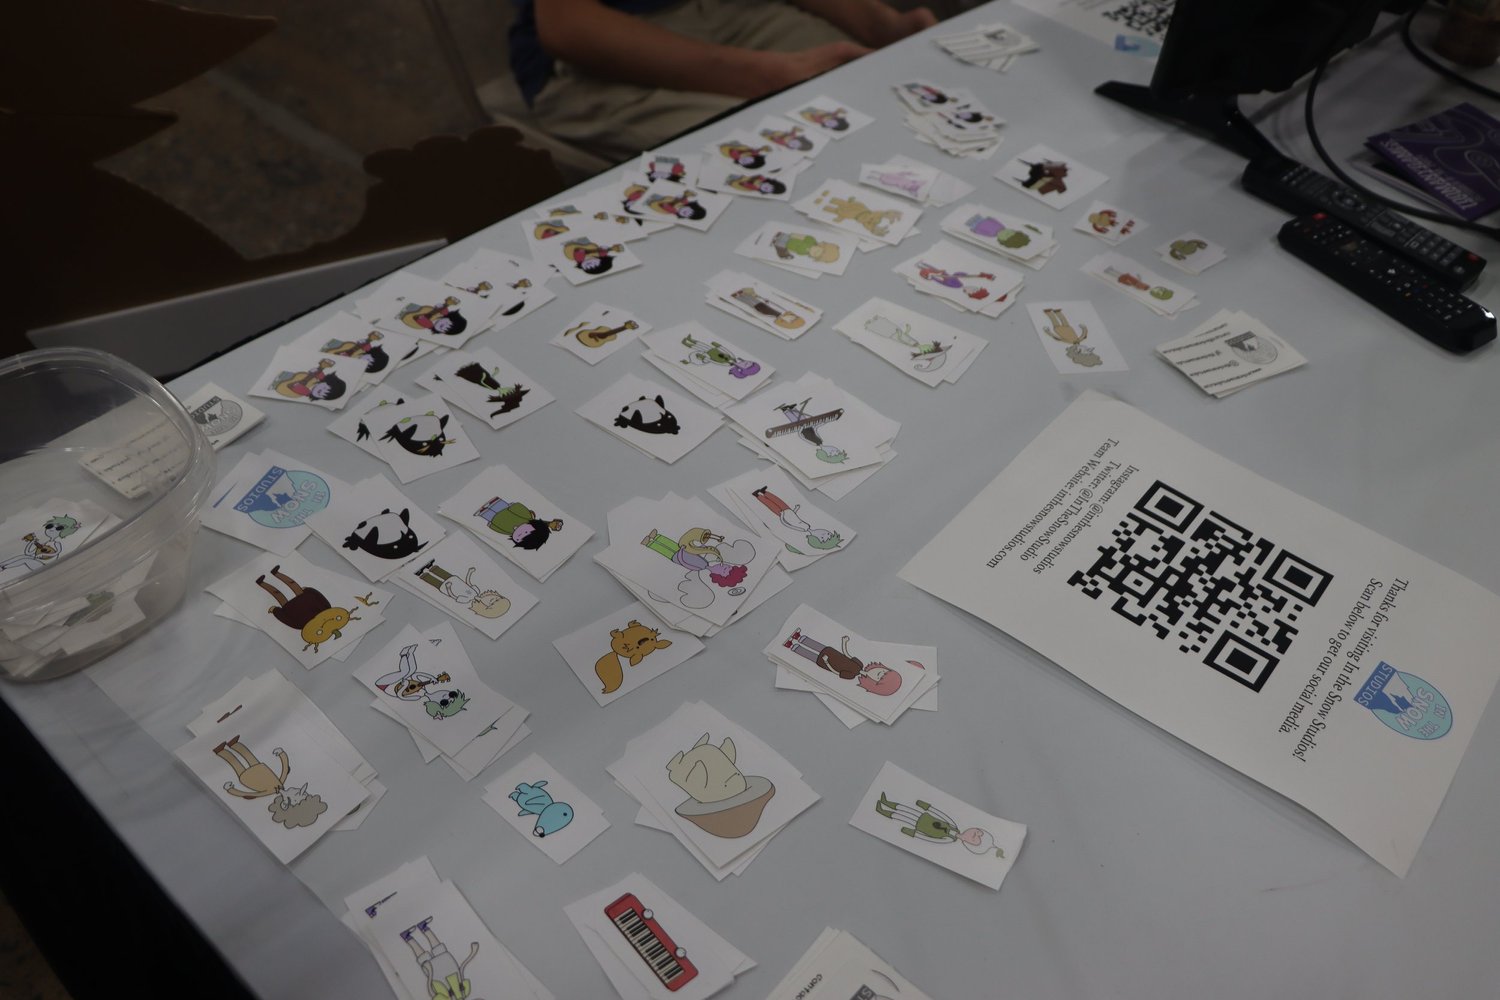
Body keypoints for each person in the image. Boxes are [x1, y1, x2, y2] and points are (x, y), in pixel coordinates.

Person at [507, 0, 936, 162]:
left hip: (732, 12)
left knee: (888, 101)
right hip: (601, 51)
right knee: (786, 153)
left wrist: (881, 25)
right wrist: (768, 76)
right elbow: (568, 26)